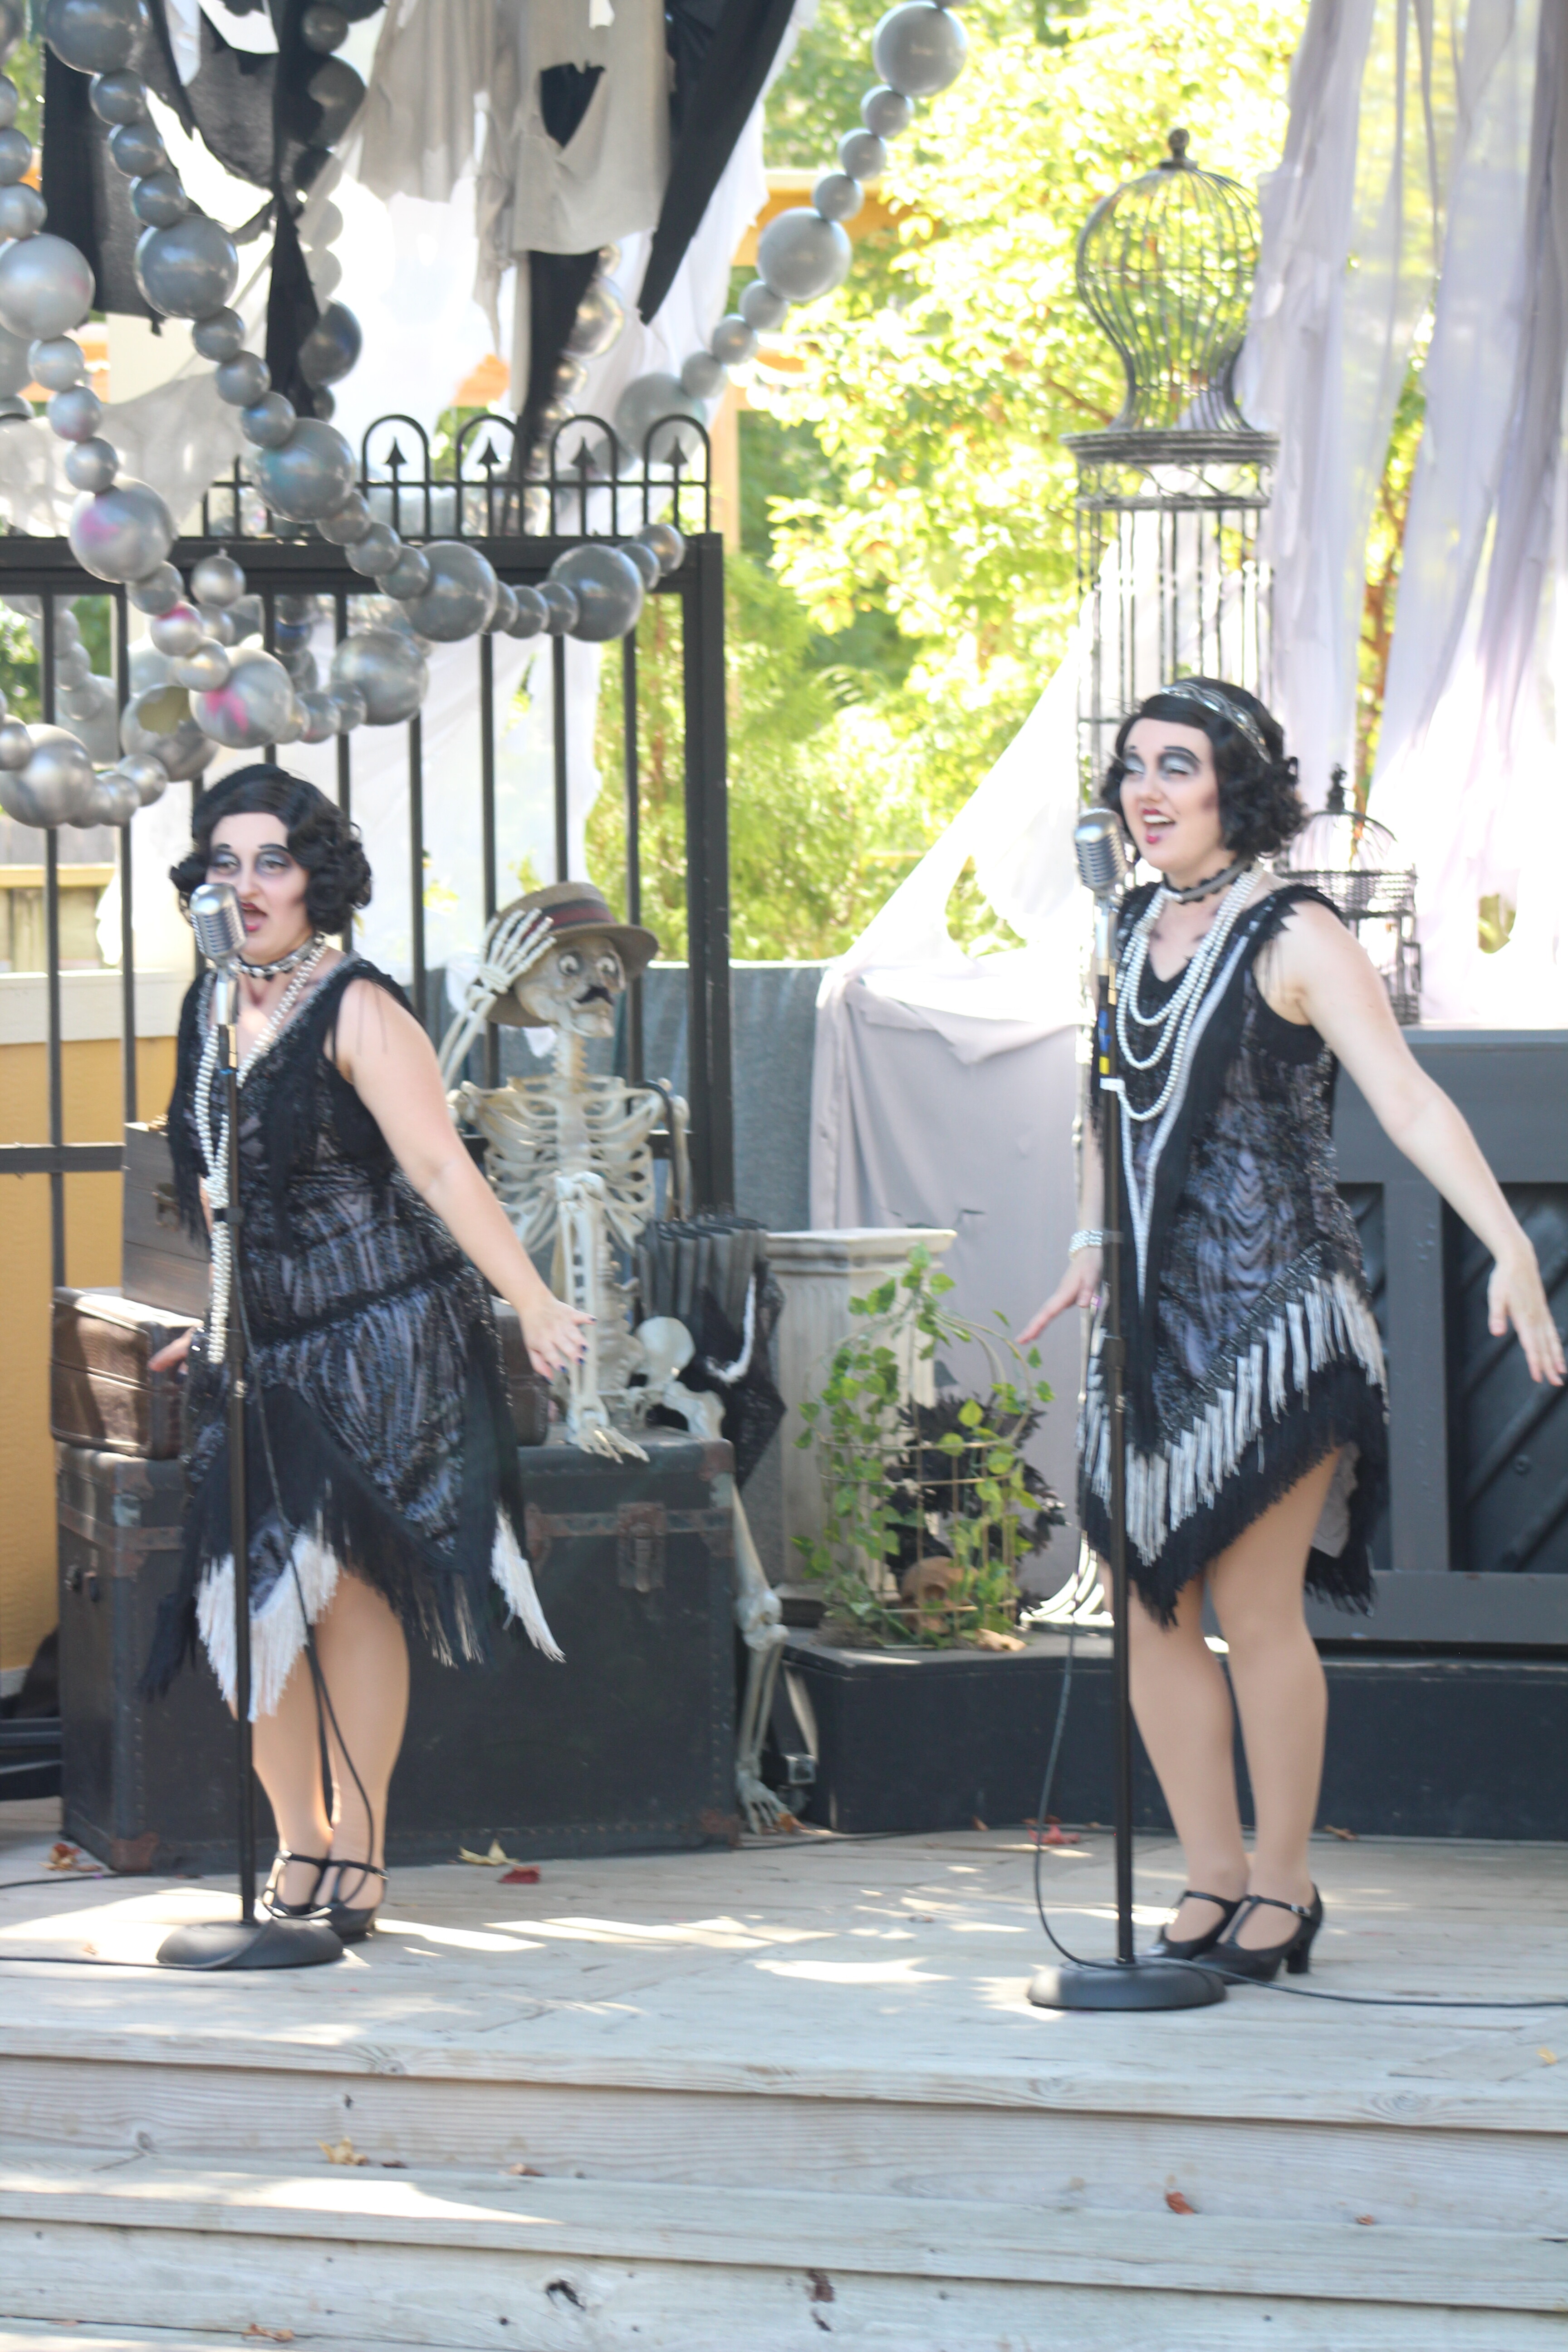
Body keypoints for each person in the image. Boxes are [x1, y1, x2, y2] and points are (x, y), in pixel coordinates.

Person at [1022, 681, 1563, 1980]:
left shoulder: (1297, 931)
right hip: (1148, 1326)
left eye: (1178, 766)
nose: (1146, 790)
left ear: (1238, 787)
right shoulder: (1128, 925)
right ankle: (1211, 1874)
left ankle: (1284, 1884)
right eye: (1133, 767)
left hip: (1276, 1321)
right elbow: (1108, 1103)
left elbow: (1410, 1100)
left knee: (1254, 1606)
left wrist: (1510, 1246)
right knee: (1147, 1603)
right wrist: (1092, 1242)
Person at [144, 764, 588, 1941]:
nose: (247, 885)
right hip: (258, 1351)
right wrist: (212, 1320)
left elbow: (440, 1167)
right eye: (225, 862)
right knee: (251, 1598)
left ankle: (363, 1844)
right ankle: (298, 1840)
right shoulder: (209, 1010)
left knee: (341, 1594)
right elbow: (224, 1195)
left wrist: (533, 1298)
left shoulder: (357, 1009)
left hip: (376, 1334)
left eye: (273, 862)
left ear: (315, 880)